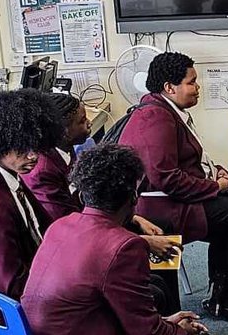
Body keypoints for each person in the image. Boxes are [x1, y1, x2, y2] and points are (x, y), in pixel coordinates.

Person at [22, 144, 227, 335]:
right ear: (132, 198)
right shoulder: (124, 246)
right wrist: (177, 329)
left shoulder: (61, 226)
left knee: (158, 294)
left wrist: (165, 323)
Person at [119, 51, 228, 326]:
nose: (197, 87)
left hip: (180, 194)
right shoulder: (155, 118)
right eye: (191, 82)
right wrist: (214, 186)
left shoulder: (168, 110)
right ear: (170, 87)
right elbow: (166, 178)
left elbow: (186, 161)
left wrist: (214, 172)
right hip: (164, 206)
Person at [26, 92, 182, 310]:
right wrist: (142, 241)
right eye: (81, 121)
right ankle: (154, 309)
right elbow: (72, 226)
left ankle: (171, 310)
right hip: (76, 240)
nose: (89, 123)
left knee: (161, 229)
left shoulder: (65, 150)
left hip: (91, 219)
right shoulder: (43, 171)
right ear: (62, 131)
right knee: (153, 249)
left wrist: (134, 218)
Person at [0, 89, 60, 299]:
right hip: (29, 301)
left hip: (42, 278)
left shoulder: (9, 176)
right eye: (22, 149)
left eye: (34, 145)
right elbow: (11, 285)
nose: (33, 155)